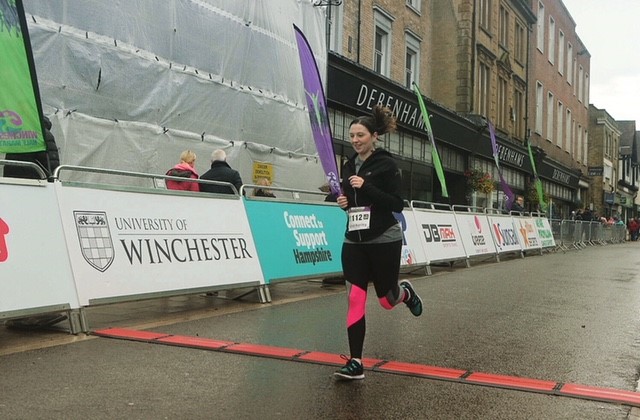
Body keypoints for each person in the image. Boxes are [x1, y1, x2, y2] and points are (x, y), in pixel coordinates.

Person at [333, 105, 422, 381]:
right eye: (352, 136)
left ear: (374, 136)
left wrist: (366, 187)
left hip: (384, 239)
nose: (355, 140)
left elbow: (397, 205)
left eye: (360, 135)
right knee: (355, 297)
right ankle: (356, 362)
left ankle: (404, 293)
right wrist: (343, 203)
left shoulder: (386, 164)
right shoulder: (348, 165)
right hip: (354, 240)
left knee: (386, 300)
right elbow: (354, 202)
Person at [4, 115, 60, 180]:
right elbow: (51, 161)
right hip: (35, 180)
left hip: (12, 179)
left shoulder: (17, 133)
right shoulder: (43, 134)